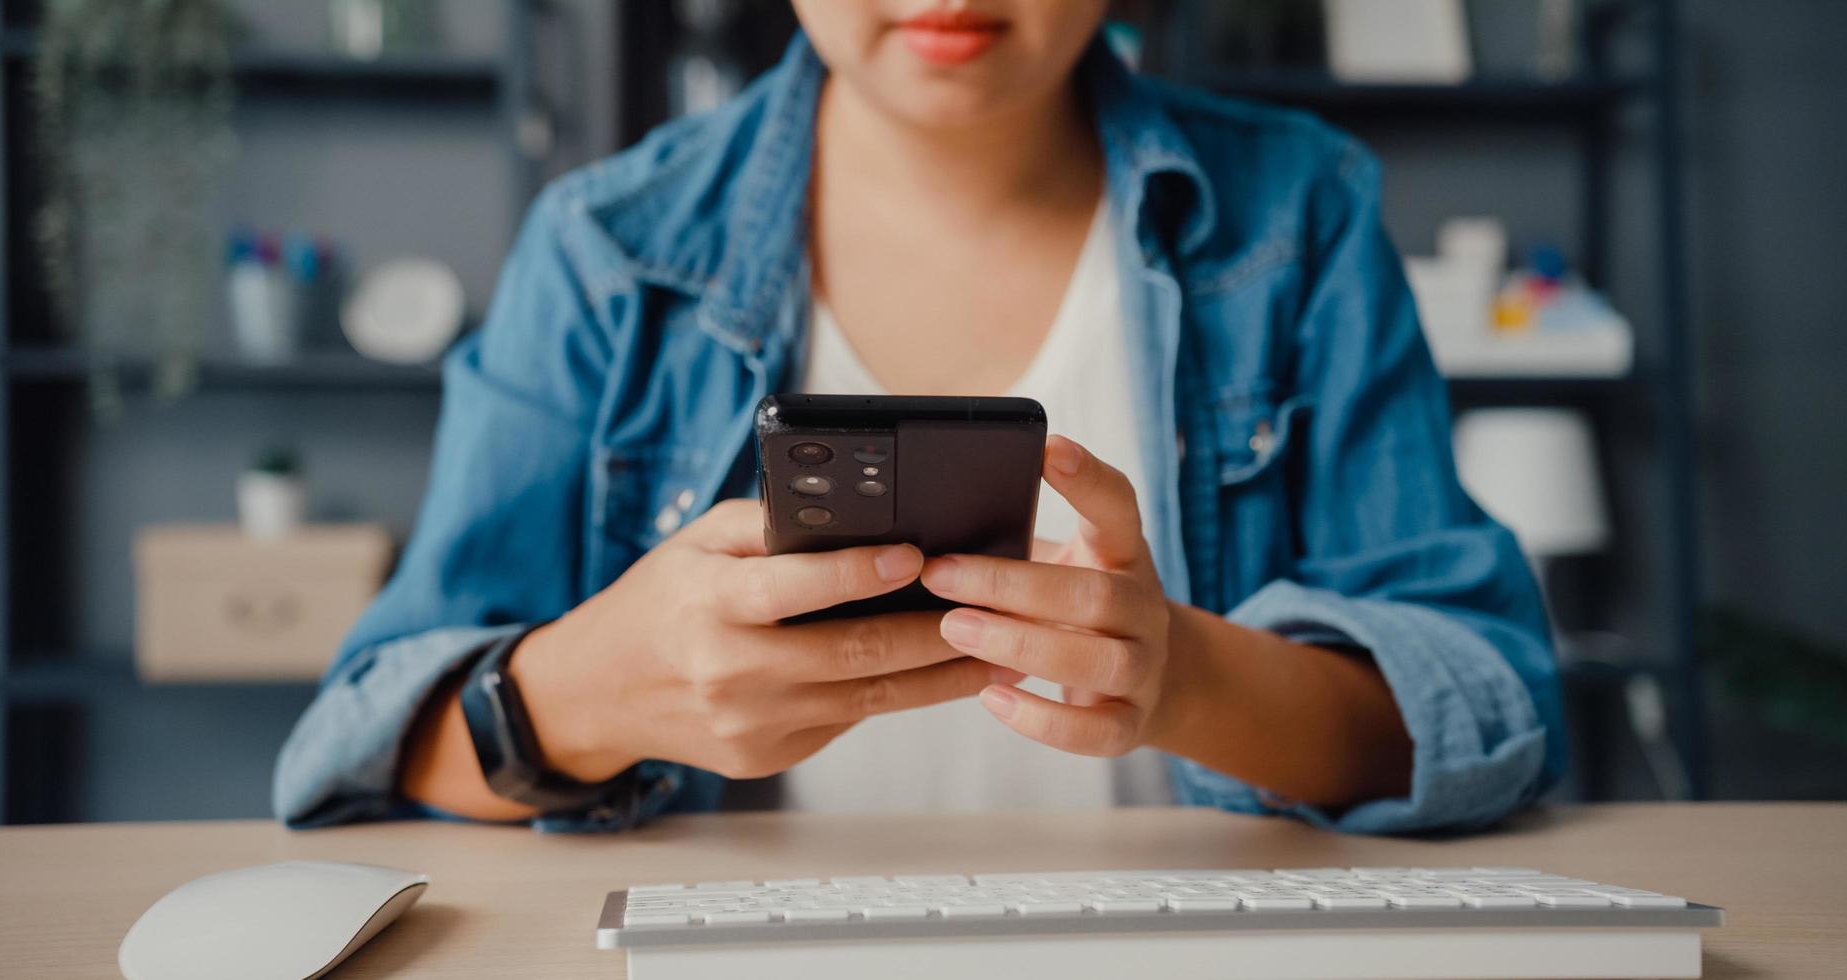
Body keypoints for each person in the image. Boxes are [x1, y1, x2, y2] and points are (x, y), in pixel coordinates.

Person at [275, 0, 1563, 834]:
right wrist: (588, 694)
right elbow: (363, 746)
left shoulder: (1303, 213)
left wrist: (1183, 674)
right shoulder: (606, 247)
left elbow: (1489, 708)